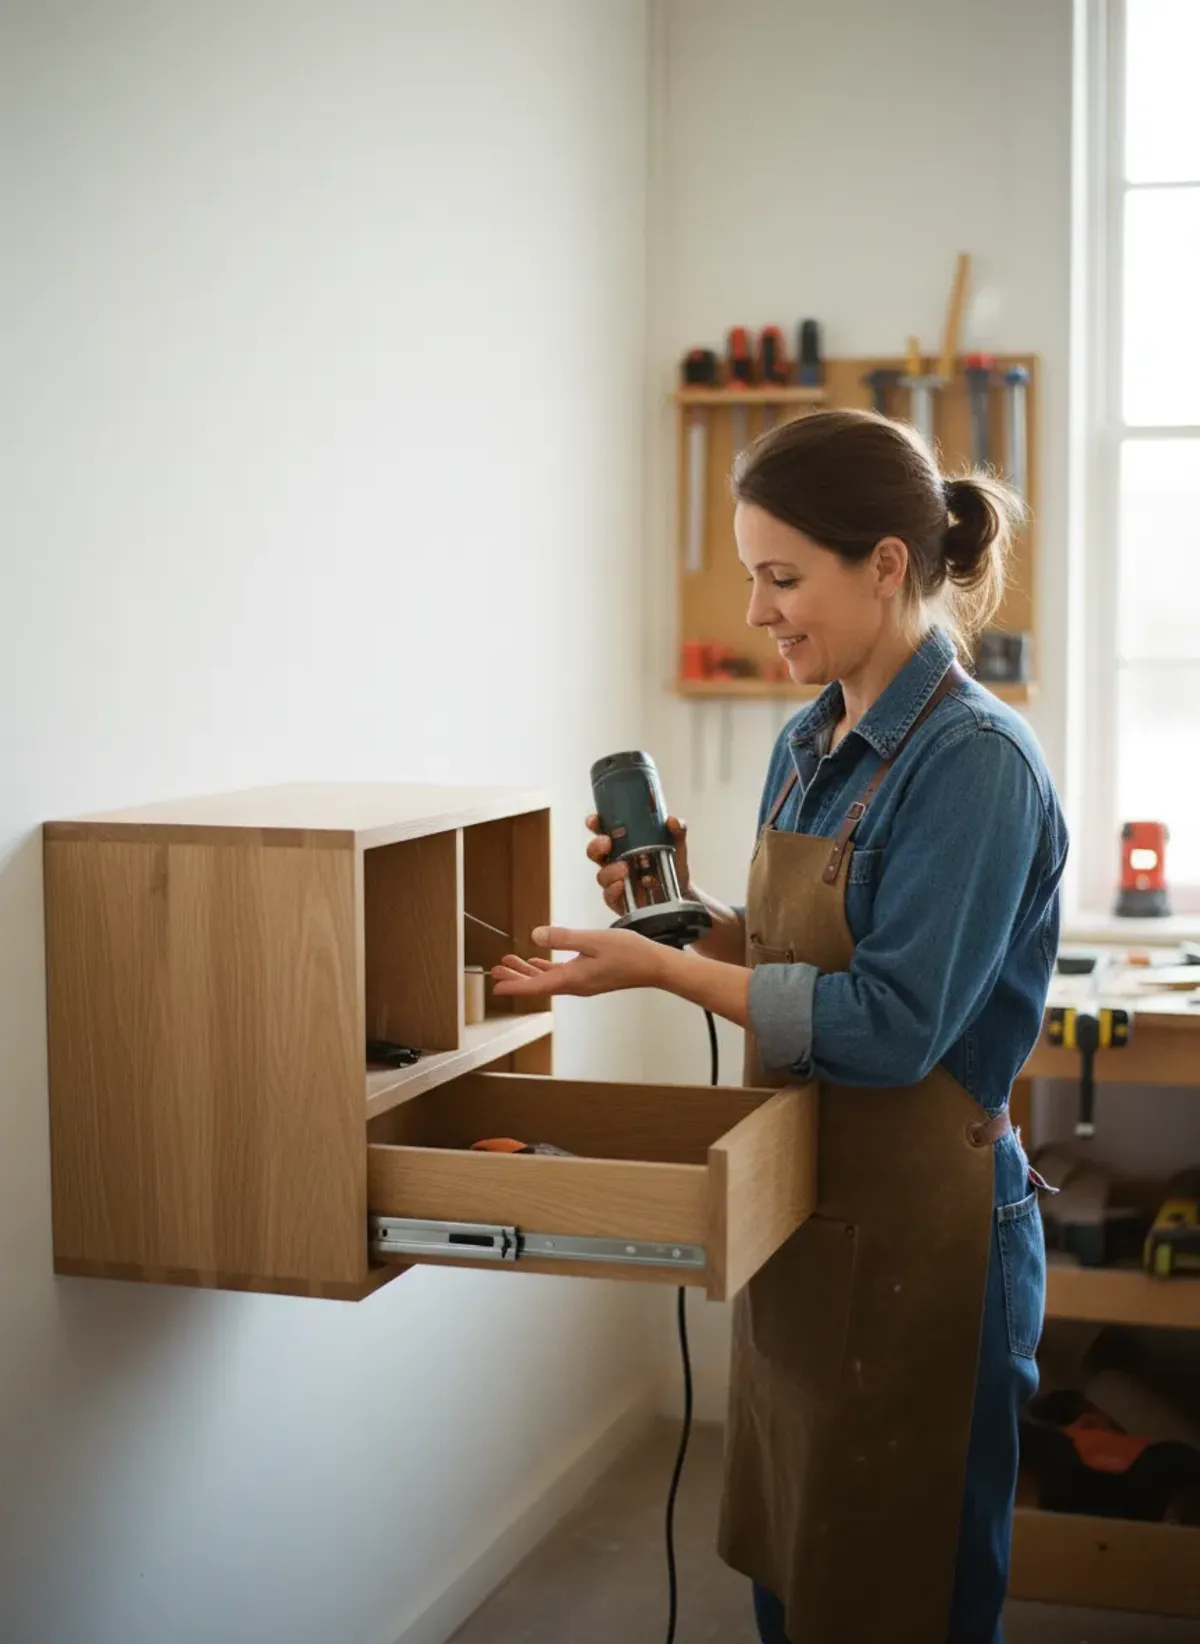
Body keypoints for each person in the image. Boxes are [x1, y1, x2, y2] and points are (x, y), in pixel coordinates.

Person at [492, 408, 1067, 1644]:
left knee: (906, 1599)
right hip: (809, 1219)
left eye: (782, 577)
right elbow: (802, 956)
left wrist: (662, 971)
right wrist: (686, 922)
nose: (758, 611)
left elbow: (891, 1027)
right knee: (798, 1583)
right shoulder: (813, 742)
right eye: (754, 575)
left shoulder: (975, 764)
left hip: (932, 1247)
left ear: (887, 565)